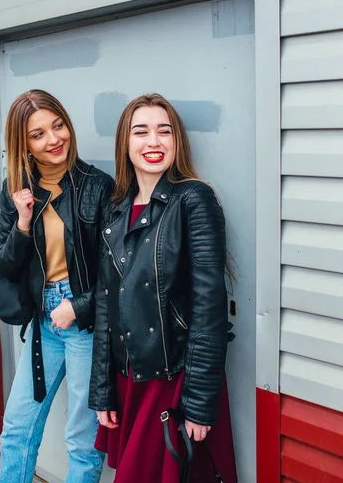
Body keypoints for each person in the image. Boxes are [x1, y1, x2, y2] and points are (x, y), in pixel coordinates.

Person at [89, 93, 237, 483]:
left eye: (164, 131)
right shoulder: (115, 207)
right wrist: (103, 390)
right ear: (126, 141)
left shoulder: (194, 199)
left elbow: (209, 307)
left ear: (177, 141)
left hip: (173, 380)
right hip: (128, 379)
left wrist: (200, 403)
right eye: (141, 131)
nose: (153, 142)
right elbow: (107, 305)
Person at [0, 89, 113, 483]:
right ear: (24, 144)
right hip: (44, 323)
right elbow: (5, 265)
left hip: (84, 323)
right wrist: (24, 222)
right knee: (17, 429)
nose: (53, 139)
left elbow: (118, 273)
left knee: (81, 440)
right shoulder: (17, 191)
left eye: (57, 125)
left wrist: (78, 306)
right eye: (38, 134)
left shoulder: (99, 187)